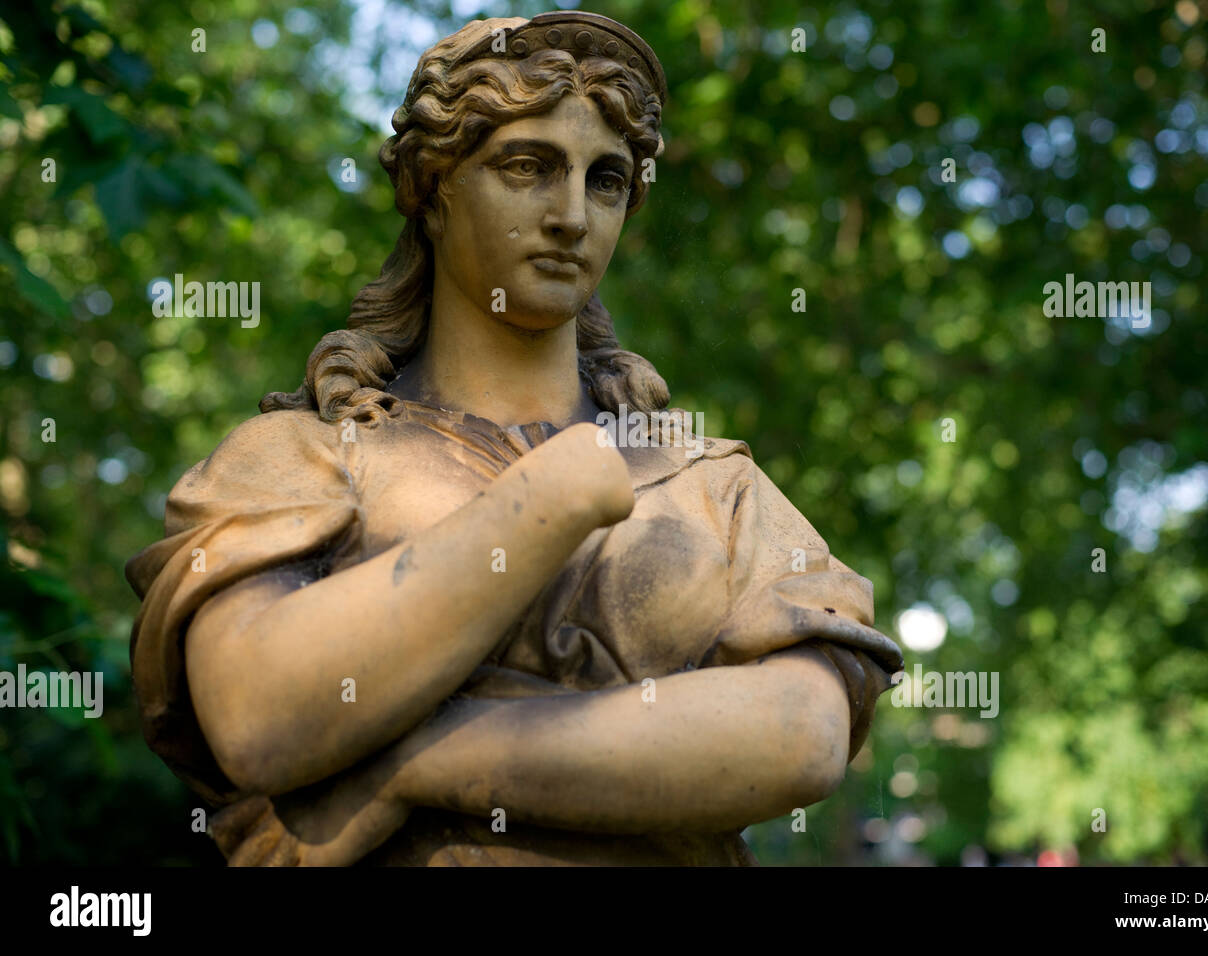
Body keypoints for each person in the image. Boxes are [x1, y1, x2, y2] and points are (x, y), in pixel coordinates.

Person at [125, 11, 903, 866]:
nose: (571, 215)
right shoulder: (300, 456)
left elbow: (803, 734)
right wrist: (546, 501)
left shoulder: (709, 484)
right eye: (526, 167)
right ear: (433, 189)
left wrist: (415, 760)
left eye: (605, 180)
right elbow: (260, 715)